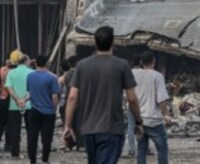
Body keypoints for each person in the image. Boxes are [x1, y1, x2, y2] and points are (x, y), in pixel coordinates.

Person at [63, 26, 143, 164]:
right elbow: (132, 98)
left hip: (88, 130)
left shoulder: (82, 65)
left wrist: (68, 126)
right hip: (111, 128)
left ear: (94, 43)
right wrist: (138, 121)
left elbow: (72, 97)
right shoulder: (122, 65)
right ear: (113, 43)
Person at [133, 51, 171, 164]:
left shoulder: (135, 74)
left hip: (140, 119)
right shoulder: (157, 76)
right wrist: (166, 115)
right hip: (154, 120)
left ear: (141, 62)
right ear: (154, 61)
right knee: (162, 150)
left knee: (141, 150)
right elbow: (161, 100)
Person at [26, 54, 60, 164]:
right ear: (47, 64)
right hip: (48, 112)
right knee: (47, 139)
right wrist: (55, 108)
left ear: (36, 63)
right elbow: (54, 96)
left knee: (32, 137)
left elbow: (29, 94)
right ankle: (45, 159)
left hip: (34, 110)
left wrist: (22, 100)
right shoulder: (52, 77)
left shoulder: (30, 76)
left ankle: (33, 160)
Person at [5, 53, 34, 159]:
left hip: (14, 105)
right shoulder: (32, 72)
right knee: (31, 130)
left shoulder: (11, 73)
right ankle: (31, 152)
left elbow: (9, 88)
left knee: (15, 130)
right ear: (26, 61)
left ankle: (15, 153)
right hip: (29, 104)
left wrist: (17, 99)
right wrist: (25, 99)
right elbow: (33, 89)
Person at [0, 52, 19, 153]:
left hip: (8, 98)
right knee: (4, 123)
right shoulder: (6, 70)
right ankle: (0, 144)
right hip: (7, 98)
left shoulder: (6, 69)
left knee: (7, 123)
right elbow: (6, 83)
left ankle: (4, 144)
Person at [126, 56, 141, 157]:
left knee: (131, 126)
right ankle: (145, 148)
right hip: (143, 103)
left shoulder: (128, 73)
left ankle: (131, 149)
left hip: (131, 102)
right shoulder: (145, 73)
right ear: (140, 62)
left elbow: (125, 90)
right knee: (143, 126)